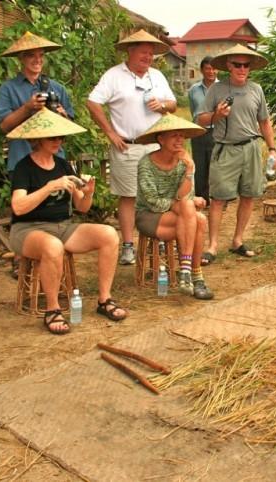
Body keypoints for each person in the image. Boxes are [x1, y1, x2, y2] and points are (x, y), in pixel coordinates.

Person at [7, 109, 128, 335]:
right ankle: (52, 309)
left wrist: (88, 193)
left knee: (109, 235)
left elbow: (82, 207)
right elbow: (18, 206)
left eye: (61, 137)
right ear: (38, 139)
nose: (58, 141)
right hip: (28, 230)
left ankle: (104, 299)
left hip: (63, 226)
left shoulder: (63, 165)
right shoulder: (24, 167)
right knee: (53, 246)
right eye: (52, 137)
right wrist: (49, 187)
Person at [87, 29, 177, 266]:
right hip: (127, 145)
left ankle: (158, 238)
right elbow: (92, 102)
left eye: (151, 53)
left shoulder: (157, 76)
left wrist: (163, 105)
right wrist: (110, 132)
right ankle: (128, 245)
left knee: (159, 195)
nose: (147, 57)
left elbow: (174, 104)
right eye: (143, 53)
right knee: (128, 196)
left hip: (156, 146)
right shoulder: (114, 75)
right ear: (130, 51)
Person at [196, 44, 276, 262]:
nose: (242, 69)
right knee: (218, 199)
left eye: (246, 65)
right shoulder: (217, 89)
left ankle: (238, 240)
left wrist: (272, 149)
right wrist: (217, 115)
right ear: (228, 67)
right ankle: (212, 246)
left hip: (251, 147)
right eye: (237, 65)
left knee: (249, 195)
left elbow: (264, 121)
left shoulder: (256, 89)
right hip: (225, 148)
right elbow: (201, 119)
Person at [134, 114, 213, 300]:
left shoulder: (183, 162)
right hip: (149, 216)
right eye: (174, 135)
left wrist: (189, 170)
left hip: (177, 215)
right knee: (197, 219)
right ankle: (195, 275)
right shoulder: (146, 163)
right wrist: (184, 204)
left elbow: (185, 196)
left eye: (182, 136)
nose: (180, 140)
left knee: (197, 218)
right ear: (161, 139)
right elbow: (152, 201)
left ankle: (188, 272)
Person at [0, 31, 75, 172]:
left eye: (41, 55)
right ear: (21, 58)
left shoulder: (58, 88)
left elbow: (69, 130)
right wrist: (27, 108)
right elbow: (4, 127)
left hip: (54, 160)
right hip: (21, 160)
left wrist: (63, 116)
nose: (37, 59)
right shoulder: (7, 88)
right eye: (31, 55)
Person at [188, 56, 218, 207]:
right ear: (202, 70)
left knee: (216, 167)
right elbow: (194, 111)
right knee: (199, 167)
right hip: (198, 132)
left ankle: (218, 199)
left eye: (213, 68)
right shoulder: (194, 90)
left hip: (218, 133)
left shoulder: (223, 88)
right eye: (208, 68)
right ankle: (202, 200)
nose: (211, 71)